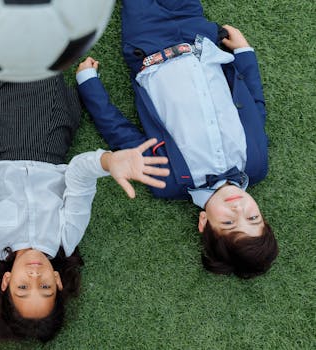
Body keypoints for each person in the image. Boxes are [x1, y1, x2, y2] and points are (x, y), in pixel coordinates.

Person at [0, 74, 170, 342]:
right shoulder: (66, 238)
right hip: (50, 139)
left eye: (23, 288)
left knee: (16, 67)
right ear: (58, 281)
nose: (35, 277)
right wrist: (109, 162)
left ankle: (6, 80)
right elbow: (78, 177)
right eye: (45, 288)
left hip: (6, 143)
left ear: (6, 281)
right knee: (41, 62)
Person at [76, 0, 278, 278]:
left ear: (204, 222)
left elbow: (121, 134)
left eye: (229, 221)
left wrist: (89, 85)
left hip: (149, 46)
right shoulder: (256, 165)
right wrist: (244, 52)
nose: (239, 207)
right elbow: (256, 106)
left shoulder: (168, 183)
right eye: (253, 217)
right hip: (199, 36)